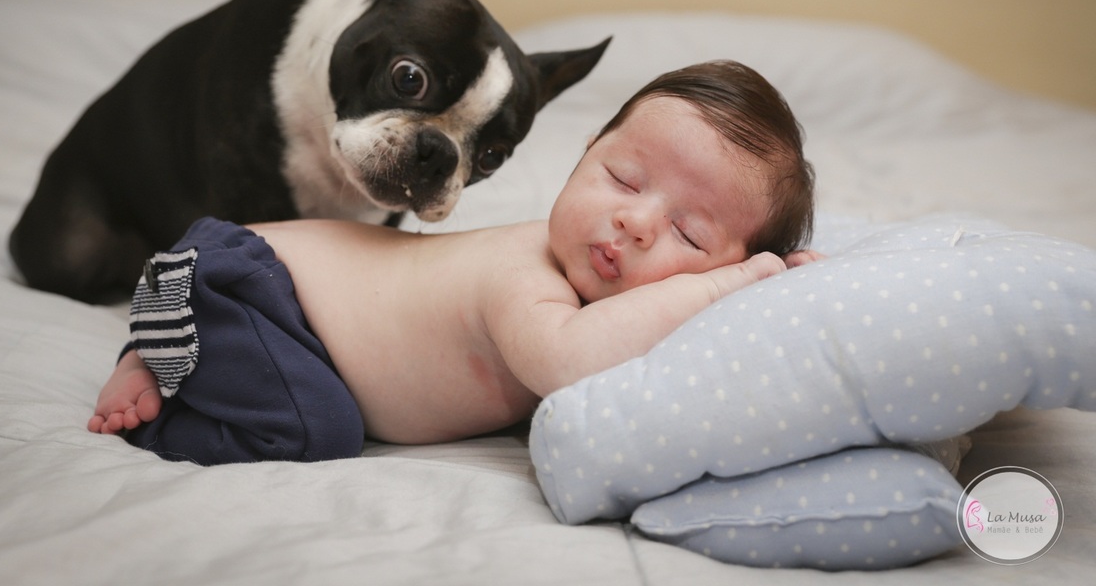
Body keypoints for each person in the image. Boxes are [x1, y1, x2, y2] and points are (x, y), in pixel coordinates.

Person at [88, 60, 819, 465]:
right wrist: (735, 278)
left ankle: (167, 344)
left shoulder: (605, 290)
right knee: (320, 428)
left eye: (689, 234)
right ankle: (165, 381)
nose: (633, 220)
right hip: (256, 294)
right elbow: (571, 364)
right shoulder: (526, 278)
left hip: (240, 282)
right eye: (622, 178)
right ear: (586, 151)